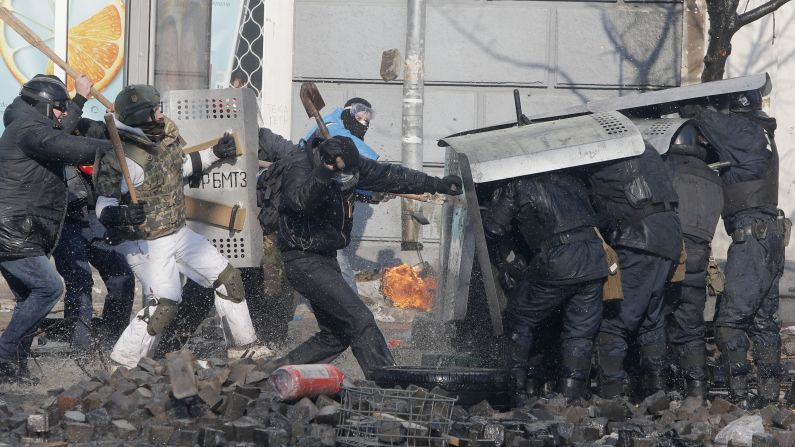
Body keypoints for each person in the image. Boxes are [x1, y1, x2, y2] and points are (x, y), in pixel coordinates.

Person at [93, 84, 270, 368]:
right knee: (164, 305)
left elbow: (181, 167)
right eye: (155, 109)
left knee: (227, 279)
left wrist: (214, 153)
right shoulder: (120, 156)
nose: (161, 113)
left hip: (178, 232)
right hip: (144, 242)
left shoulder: (165, 137)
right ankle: (122, 363)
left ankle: (243, 347)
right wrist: (123, 215)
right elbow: (103, 206)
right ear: (141, 116)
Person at [260, 135, 462, 379]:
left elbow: (392, 176)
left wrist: (436, 184)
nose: (350, 181)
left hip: (325, 257)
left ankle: (272, 373)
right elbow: (299, 201)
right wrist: (324, 173)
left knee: (336, 335)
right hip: (302, 258)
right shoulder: (301, 166)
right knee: (360, 319)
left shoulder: (352, 167)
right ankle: (388, 384)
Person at [0, 74, 114, 383]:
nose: (64, 113)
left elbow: (59, 132)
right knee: (49, 288)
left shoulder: (28, 125)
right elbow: (65, 143)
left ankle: (14, 371)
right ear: (42, 106)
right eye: (60, 107)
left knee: (28, 302)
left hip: (22, 229)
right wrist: (113, 147)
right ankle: (4, 355)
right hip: (13, 231)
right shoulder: (28, 130)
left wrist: (79, 100)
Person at [681, 90, 786, 408]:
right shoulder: (763, 131)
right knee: (764, 321)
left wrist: (692, 107)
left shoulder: (743, 130)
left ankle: (738, 397)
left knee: (729, 322)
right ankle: (768, 396)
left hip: (751, 238)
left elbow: (706, 118)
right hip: (770, 237)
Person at [483, 171, 608, 406]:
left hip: (560, 257)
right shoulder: (573, 179)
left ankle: (514, 392)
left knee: (519, 318)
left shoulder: (518, 182)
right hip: (593, 256)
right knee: (580, 332)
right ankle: (572, 398)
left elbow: (493, 227)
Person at [586, 144, 683, 400]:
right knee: (651, 318)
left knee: (616, 322)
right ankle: (656, 392)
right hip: (669, 236)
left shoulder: (597, 152)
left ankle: (610, 397)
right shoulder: (644, 148)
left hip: (639, 238)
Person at [52, 82, 136, 354]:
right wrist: (79, 98)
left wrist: (120, 119)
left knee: (121, 276)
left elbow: (111, 137)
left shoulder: (84, 126)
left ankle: (113, 342)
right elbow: (58, 137)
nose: (63, 112)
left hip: (93, 216)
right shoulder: (41, 133)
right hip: (65, 220)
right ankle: (81, 353)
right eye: (59, 107)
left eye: (65, 107)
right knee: (80, 281)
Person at [661, 121, 723, 400]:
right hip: (699, 259)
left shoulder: (668, 166)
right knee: (691, 327)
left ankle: (658, 386)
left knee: (654, 320)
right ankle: (696, 390)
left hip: (671, 255)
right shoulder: (712, 176)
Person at [303, 98, 379, 294]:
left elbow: (346, 176)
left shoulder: (344, 134)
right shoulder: (331, 125)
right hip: (306, 198)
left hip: (319, 202)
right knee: (336, 259)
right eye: (360, 116)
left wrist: (372, 192)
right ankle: (353, 310)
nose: (364, 123)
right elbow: (355, 151)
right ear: (348, 112)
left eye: (367, 119)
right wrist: (379, 171)